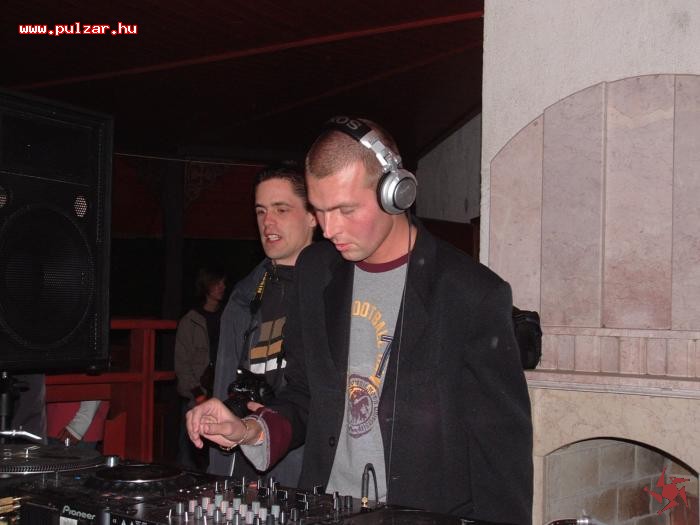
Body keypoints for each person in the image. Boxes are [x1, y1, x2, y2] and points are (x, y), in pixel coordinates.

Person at [188, 118, 533, 524]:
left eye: (345, 210)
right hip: (326, 510)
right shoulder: (315, 272)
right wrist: (249, 430)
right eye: (320, 211)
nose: (330, 229)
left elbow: (500, 453)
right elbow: (304, 395)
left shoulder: (470, 293)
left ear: (395, 193)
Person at [208, 165, 317, 486]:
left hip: (306, 469)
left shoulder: (335, 291)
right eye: (261, 211)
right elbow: (224, 387)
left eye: (281, 210)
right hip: (243, 461)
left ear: (313, 215)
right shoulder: (243, 296)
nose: (268, 222)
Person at [174, 266, 226, 470]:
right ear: (206, 286)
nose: (222, 287)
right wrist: (197, 394)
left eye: (223, 283)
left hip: (221, 391)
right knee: (189, 449)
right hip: (196, 393)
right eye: (217, 283)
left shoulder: (228, 317)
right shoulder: (191, 320)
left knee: (219, 450)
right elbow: (182, 363)